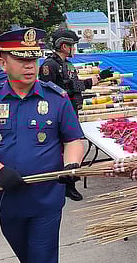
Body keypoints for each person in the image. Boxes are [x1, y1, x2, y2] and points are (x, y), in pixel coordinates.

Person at [0, 27, 85, 263]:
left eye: (32, 58)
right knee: (25, 255)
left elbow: (73, 139)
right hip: (8, 197)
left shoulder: (55, 98)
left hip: (46, 197)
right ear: (3, 62)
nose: (29, 65)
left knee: (42, 257)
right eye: (21, 59)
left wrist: (72, 163)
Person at [38, 29, 99, 201]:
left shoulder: (68, 64)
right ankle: (58, 185)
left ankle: (69, 184)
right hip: (57, 115)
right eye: (72, 45)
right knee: (59, 150)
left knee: (71, 148)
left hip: (71, 112)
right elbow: (48, 91)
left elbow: (75, 84)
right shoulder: (49, 66)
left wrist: (92, 81)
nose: (74, 49)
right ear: (64, 46)